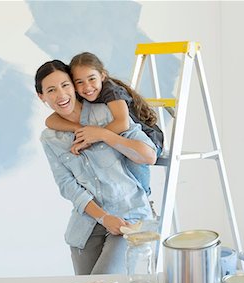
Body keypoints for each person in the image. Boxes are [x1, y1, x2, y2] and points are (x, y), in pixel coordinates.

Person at [35, 60, 157, 275]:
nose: (61, 95)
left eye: (65, 85)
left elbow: (149, 156)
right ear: (42, 97)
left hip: (129, 216)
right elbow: (67, 185)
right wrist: (103, 217)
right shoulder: (50, 137)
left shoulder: (107, 113)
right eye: (51, 90)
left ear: (73, 86)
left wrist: (103, 135)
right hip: (85, 226)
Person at [45, 52, 163, 195]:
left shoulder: (111, 91)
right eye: (79, 82)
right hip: (119, 138)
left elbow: (122, 123)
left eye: (91, 79)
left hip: (146, 139)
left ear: (102, 75)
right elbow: (50, 121)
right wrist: (79, 129)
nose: (87, 87)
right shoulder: (81, 94)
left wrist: (92, 138)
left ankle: (144, 196)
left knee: (132, 161)